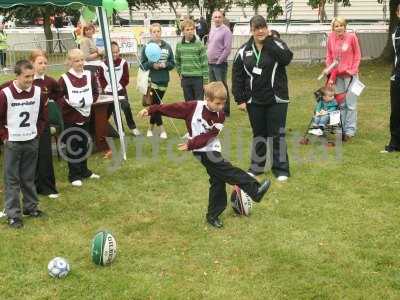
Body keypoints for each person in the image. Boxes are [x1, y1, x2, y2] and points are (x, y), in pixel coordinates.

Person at [138, 82, 271, 229]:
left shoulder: (220, 116)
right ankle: (254, 190)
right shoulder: (193, 107)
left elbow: (210, 135)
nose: (221, 107)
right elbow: (171, 108)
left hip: (211, 147)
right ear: (207, 99)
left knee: (217, 180)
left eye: (224, 103)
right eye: (217, 103)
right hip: (201, 151)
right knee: (227, 170)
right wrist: (151, 109)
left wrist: (191, 144)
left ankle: (213, 215)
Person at [232, 15, 293, 182]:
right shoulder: (244, 50)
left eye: (262, 27)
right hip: (254, 101)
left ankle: (281, 169)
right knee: (259, 134)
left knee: (277, 135)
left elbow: (286, 59)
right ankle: (256, 168)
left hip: (277, 99)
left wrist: (269, 43)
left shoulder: (277, 44)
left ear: (267, 28)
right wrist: (240, 99)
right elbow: (237, 76)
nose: (260, 31)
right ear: (251, 30)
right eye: (256, 28)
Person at [0, 60, 48, 228]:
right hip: (13, 142)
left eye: (32, 76)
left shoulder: (38, 92)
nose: (30, 80)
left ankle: (31, 207)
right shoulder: (5, 93)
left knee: (28, 177)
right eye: (26, 76)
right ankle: (13, 214)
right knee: (11, 179)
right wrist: (5, 135)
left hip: (31, 140)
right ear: (17, 75)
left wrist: (37, 133)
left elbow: (43, 116)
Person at [58, 49, 100, 187]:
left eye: (82, 60)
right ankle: (74, 175)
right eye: (76, 60)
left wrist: (89, 101)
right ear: (70, 62)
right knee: (73, 145)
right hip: (71, 117)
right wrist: (71, 105)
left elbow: (95, 91)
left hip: (86, 114)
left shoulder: (90, 75)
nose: (80, 63)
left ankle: (84, 171)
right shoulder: (64, 78)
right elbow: (59, 97)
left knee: (84, 143)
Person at [29, 50, 60, 198]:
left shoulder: (50, 81)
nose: (43, 66)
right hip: (28, 125)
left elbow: (58, 93)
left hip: (44, 124)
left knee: (45, 155)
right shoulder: (27, 80)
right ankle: (31, 187)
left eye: (45, 63)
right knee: (30, 156)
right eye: (39, 63)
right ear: (31, 64)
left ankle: (47, 187)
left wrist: (49, 103)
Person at [325, 17, 361, 142]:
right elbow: (329, 55)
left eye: (341, 25)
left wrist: (353, 70)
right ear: (333, 28)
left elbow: (357, 55)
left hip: (351, 76)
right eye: (336, 26)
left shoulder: (352, 37)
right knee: (341, 104)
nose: (339, 28)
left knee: (351, 104)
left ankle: (350, 130)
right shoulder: (330, 38)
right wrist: (330, 72)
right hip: (337, 76)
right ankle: (342, 130)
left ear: (345, 27)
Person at [98, 41, 141, 136]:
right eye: (113, 52)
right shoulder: (103, 65)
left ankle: (132, 127)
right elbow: (101, 78)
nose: (115, 54)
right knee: (115, 110)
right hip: (109, 92)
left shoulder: (123, 63)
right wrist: (107, 87)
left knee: (126, 107)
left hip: (121, 90)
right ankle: (120, 130)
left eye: (117, 52)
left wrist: (120, 85)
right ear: (108, 52)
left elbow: (126, 78)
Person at [140, 23, 175, 139]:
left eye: (158, 31)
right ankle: (162, 130)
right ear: (150, 33)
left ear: (161, 32)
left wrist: (164, 65)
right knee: (156, 105)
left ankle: (150, 128)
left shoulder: (167, 46)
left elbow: (172, 64)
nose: (156, 33)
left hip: (164, 80)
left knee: (156, 105)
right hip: (152, 80)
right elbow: (142, 65)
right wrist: (152, 64)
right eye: (153, 31)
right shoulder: (146, 47)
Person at [175, 19, 208, 102]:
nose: (190, 31)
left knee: (199, 103)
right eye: (187, 29)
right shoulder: (179, 44)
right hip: (185, 78)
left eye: (192, 29)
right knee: (188, 104)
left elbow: (204, 63)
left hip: (198, 79)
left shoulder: (199, 44)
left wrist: (205, 81)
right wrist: (180, 73)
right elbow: (177, 60)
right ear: (183, 31)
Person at [382, 3, 400, 153]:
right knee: (396, 111)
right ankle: (394, 144)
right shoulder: (395, 30)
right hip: (397, 77)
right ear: (398, 13)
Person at [207, 10, 232, 116]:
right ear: (213, 18)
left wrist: (218, 61)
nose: (217, 19)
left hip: (219, 64)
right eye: (215, 17)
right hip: (210, 63)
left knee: (222, 87)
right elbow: (209, 44)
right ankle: (214, 108)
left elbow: (227, 49)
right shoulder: (212, 29)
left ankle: (225, 111)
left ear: (222, 18)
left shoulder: (226, 31)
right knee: (212, 87)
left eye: (219, 17)